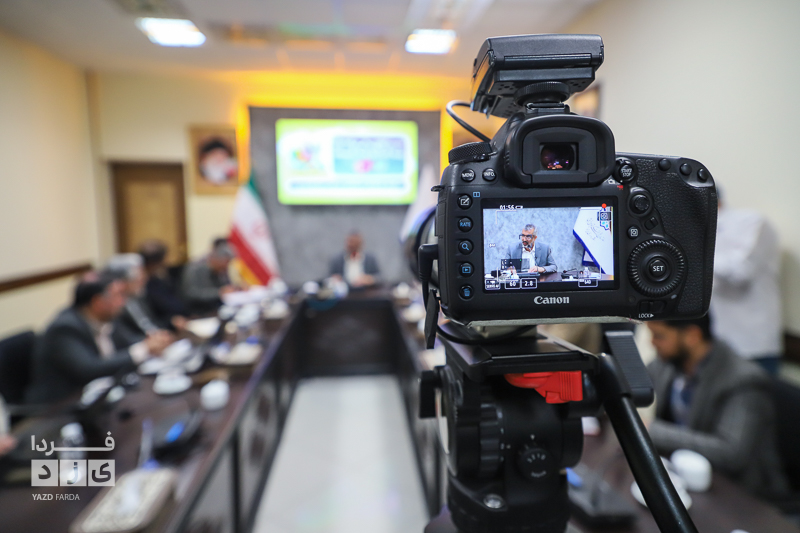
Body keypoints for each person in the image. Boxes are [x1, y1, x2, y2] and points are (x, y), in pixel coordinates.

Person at [646, 315, 788, 498]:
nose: (652, 342)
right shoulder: (670, 362)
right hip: (686, 477)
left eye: (659, 336)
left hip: (743, 494)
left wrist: (651, 430)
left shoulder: (743, 380)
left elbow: (730, 453)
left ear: (692, 336)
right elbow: (636, 382)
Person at [25, 272, 172, 404]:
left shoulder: (106, 318)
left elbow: (130, 341)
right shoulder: (64, 328)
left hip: (101, 398)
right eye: (117, 296)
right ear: (98, 302)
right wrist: (143, 349)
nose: (122, 302)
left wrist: (153, 342)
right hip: (58, 407)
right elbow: (89, 369)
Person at [710, 200, 782, 374]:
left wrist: (695, 258)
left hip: (753, 345)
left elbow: (740, 273)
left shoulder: (752, 222)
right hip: (716, 343)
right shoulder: (699, 228)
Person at [105, 254, 175, 348]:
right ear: (122, 282)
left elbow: (151, 322)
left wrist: (167, 329)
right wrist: (150, 342)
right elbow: (125, 339)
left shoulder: (138, 298)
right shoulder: (115, 306)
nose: (143, 280)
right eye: (137, 278)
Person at [138, 240, 189, 330]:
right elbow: (148, 317)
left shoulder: (159, 279)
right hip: (159, 330)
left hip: (173, 324)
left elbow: (178, 305)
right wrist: (170, 321)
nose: (167, 262)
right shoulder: (142, 286)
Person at [181, 237, 237, 314]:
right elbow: (191, 293)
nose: (225, 269)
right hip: (197, 311)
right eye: (224, 265)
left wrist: (235, 288)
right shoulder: (195, 268)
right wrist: (219, 293)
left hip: (215, 308)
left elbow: (224, 286)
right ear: (216, 260)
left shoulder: (218, 269)